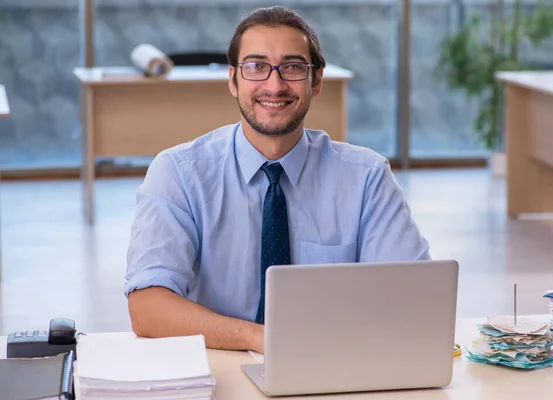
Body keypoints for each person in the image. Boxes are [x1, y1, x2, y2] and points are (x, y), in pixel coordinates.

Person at [125, 5, 430, 355]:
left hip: (331, 365)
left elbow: (412, 295)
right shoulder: (178, 172)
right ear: (232, 79)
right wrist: (259, 338)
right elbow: (147, 307)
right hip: (218, 366)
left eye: (293, 67)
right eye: (256, 66)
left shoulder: (367, 177)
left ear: (316, 81)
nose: (275, 84)